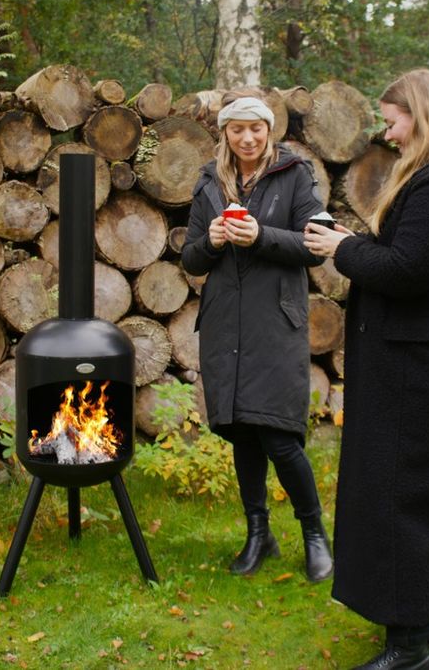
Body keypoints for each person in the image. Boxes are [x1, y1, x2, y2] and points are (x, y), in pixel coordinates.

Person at [303, 69, 429, 669]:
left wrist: (341, 249)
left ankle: (408, 645)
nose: (387, 135)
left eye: (393, 121)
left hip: (425, 369)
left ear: (423, 113)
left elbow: (408, 270)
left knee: (402, 495)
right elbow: (414, 254)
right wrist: (356, 241)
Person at [181, 95, 333, 582]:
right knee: (242, 434)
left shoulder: (295, 175)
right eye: (237, 130)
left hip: (275, 323)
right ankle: (258, 534)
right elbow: (190, 259)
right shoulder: (209, 182)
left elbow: (314, 246)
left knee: (279, 437)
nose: (247, 138)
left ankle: (314, 536)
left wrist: (260, 236)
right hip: (226, 322)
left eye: (256, 129)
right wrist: (214, 242)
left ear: (269, 131)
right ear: (225, 134)